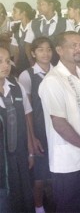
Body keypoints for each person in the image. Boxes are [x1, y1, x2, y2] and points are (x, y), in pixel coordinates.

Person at [38, 31, 80, 212]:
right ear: (59, 50)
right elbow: (59, 123)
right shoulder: (52, 81)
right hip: (67, 161)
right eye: (73, 45)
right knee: (71, 207)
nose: (79, 49)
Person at [18, 37, 53, 213]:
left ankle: (52, 202)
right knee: (39, 176)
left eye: (48, 49)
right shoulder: (27, 75)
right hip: (39, 130)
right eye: (40, 50)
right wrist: (32, 137)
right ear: (33, 53)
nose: (45, 53)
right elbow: (28, 110)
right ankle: (38, 207)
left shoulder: (57, 72)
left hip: (58, 131)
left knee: (55, 172)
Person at [0, 46, 35, 212]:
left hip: (19, 155)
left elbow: (26, 117)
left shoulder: (16, 86)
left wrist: (30, 151)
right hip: (2, 160)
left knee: (23, 196)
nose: (5, 65)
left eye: (7, 61)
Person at [25, 0, 73, 65]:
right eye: (37, 4)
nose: (38, 7)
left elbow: (71, 44)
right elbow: (27, 44)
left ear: (51, 5)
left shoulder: (66, 23)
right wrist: (31, 61)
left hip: (60, 65)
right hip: (39, 66)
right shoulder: (34, 23)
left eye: (41, 4)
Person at [10, 2, 36, 74]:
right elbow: (16, 51)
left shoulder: (35, 26)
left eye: (15, 11)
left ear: (23, 13)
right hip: (21, 67)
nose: (12, 14)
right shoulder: (16, 28)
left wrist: (33, 65)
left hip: (34, 65)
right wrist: (15, 67)